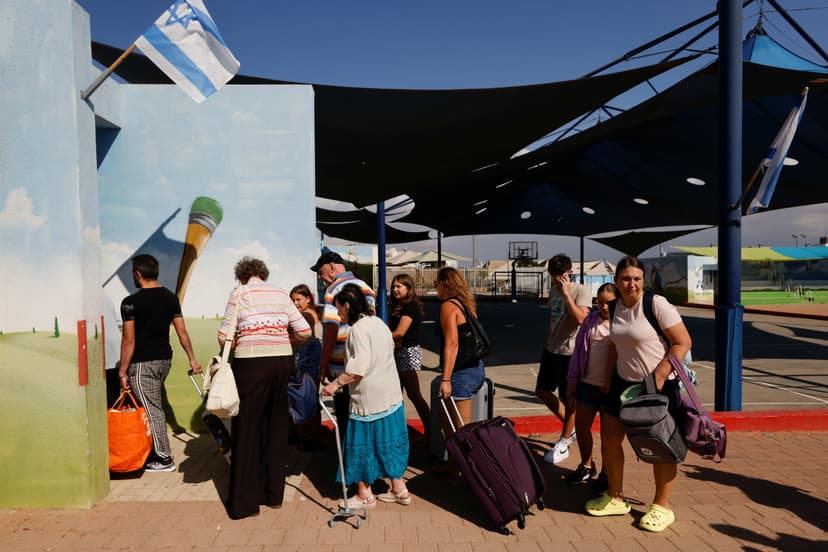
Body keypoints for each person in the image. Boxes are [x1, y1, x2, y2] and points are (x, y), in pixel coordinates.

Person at [585, 256, 692, 534]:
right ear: (616, 281)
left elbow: (682, 342)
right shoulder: (615, 306)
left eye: (636, 279)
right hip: (622, 384)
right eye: (625, 279)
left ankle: (662, 506)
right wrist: (608, 378)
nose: (631, 284)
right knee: (610, 439)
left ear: (643, 280)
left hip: (658, 386)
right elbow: (615, 345)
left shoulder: (656, 304)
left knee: (661, 445)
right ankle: (616, 497)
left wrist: (659, 376)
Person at [218, 257, 311, 519]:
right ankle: (274, 495)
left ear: (242, 276)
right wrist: (282, 338)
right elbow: (305, 331)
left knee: (247, 428)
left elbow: (223, 336)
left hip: (251, 363)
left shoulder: (239, 292)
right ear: (263, 274)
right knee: (276, 427)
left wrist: (247, 337)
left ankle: (245, 503)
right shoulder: (280, 293)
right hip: (281, 362)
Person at [321, 284, 411, 509]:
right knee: (388, 443)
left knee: (361, 447)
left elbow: (358, 368)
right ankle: (400, 489)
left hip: (368, 401)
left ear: (347, 306)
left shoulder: (358, 329)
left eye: (339, 308)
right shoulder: (379, 322)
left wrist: (334, 384)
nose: (339, 314)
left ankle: (364, 495)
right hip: (390, 395)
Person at [118, 254, 201, 473]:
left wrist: (122, 372)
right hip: (165, 360)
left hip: (142, 364)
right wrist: (192, 359)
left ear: (138, 274)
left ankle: (164, 459)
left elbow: (128, 341)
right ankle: (155, 451)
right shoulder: (170, 298)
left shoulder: (130, 303)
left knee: (153, 409)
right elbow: (182, 333)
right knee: (155, 406)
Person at [311, 250, 375, 441]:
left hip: (343, 365)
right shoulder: (365, 286)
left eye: (321, 272)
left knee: (345, 414)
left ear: (331, 266)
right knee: (361, 413)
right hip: (365, 361)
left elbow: (331, 330)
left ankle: (347, 452)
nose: (321, 278)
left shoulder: (334, 289)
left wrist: (323, 365)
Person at [537, 254, 592, 464]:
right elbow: (554, 318)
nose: (558, 278)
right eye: (554, 275)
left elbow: (581, 319)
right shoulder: (553, 290)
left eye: (561, 274)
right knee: (542, 390)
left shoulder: (581, 290)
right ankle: (571, 428)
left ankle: (564, 441)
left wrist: (567, 294)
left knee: (570, 400)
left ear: (569, 272)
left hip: (570, 353)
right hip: (552, 349)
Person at [564, 282, 617, 490]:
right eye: (600, 302)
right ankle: (586, 465)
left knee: (607, 434)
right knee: (582, 426)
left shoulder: (623, 323)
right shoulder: (590, 321)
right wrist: (572, 381)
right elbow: (578, 351)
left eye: (609, 303)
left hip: (610, 388)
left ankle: (606, 472)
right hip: (587, 384)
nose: (604, 307)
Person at [434, 266, 486, 428]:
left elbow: (452, 344)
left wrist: (446, 379)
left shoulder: (448, 306)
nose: (435, 287)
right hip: (476, 368)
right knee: (447, 421)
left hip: (460, 374)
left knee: (461, 431)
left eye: (436, 283)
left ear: (445, 284)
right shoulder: (466, 304)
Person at [388, 273, 431, 447]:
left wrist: (379, 335)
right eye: (393, 286)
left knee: (413, 394)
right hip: (397, 352)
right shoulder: (396, 306)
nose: (395, 289)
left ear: (408, 288)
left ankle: (431, 432)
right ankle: (398, 433)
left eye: (399, 286)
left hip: (407, 352)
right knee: (395, 395)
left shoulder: (411, 305)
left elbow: (399, 333)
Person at [289, 283, 326, 451]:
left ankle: (309, 437)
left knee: (305, 399)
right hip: (311, 362)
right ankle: (312, 435)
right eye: (293, 300)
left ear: (308, 299)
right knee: (310, 399)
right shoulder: (312, 313)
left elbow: (300, 337)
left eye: (298, 299)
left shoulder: (306, 315)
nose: (295, 303)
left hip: (308, 363)